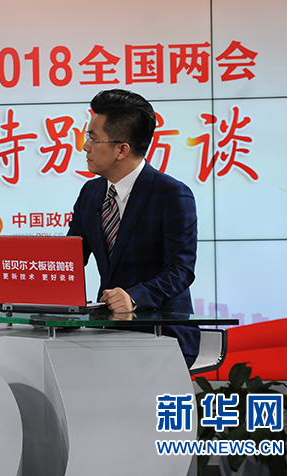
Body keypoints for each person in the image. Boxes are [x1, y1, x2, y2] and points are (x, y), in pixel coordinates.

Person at [67, 89, 200, 367]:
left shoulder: (172, 194)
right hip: (107, 331)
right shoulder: (90, 193)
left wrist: (134, 298)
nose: (85, 146)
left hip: (162, 332)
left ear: (122, 149)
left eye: (93, 138)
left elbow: (181, 270)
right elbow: (71, 258)